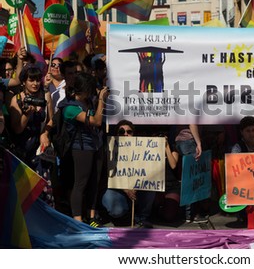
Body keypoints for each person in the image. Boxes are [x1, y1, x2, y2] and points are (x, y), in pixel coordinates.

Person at [58, 72, 108, 224]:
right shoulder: (70, 108)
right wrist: (101, 100)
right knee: (80, 183)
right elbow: (96, 121)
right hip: (81, 147)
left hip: (95, 145)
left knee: (95, 181)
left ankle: (91, 216)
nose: (92, 92)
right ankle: (77, 220)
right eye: (90, 89)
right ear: (83, 89)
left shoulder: (87, 101)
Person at [9, 64, 54, 206]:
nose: (35, 84)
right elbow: (17, 129)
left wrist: (45, 133)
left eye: (37, 80)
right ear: (23, 81)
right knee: (24, 193)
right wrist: (27, 115)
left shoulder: (45, 95)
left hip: (40, 150)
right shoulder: (16, 100)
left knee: (43, 190)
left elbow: (52, 119)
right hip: (22, 151)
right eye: (31, 80)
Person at [102, 120, 156, 228]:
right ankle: (123, 216)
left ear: (133, 134)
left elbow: (149, 172)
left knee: (151, 186)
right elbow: (107, 175)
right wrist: (125, 189)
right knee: (115, 208)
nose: (125, 134)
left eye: (129, 132)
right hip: (117, 189)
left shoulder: (143, 149)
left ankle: (142, 217)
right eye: (121, 132)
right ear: (117, 134)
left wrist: (138, 184)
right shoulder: (109, 150)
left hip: (138, 188)